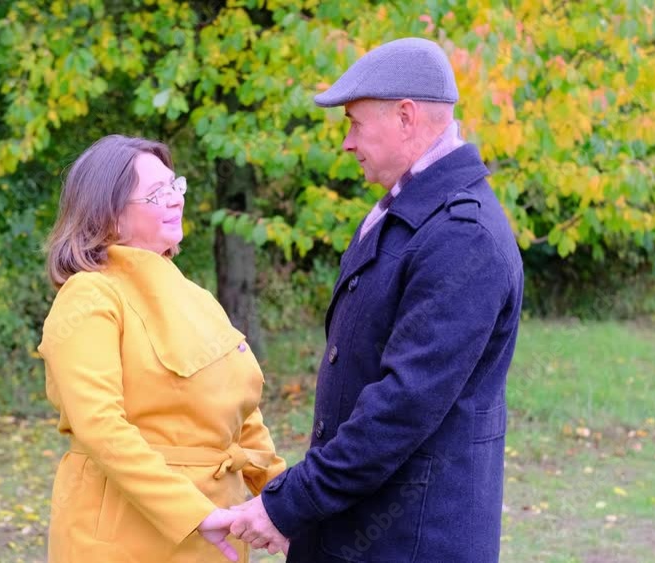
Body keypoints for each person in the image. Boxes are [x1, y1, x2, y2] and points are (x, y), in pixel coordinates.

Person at [229, 37, 524, 562]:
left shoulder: (463, 236)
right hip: (368, 529)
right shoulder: (409, 213)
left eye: (355, 123)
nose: (347, 143)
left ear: (406, 117)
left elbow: (402, 406)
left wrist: (290, 505)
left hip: (412, 542)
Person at [37, 134, 287, 562]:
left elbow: (244, 420)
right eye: (157, 193)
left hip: (217, 532)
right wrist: (193, 512)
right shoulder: (90, 295)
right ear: (109, 217)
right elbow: (99, 426)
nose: (176, 199)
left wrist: (288, 504)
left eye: (176, 185)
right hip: (127, 536)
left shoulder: (198, 298)